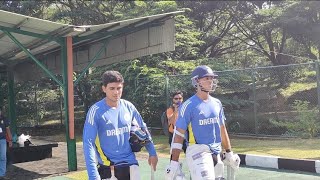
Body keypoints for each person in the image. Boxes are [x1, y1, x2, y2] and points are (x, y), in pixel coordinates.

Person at [165, 65, 240, 180]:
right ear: (196, 81)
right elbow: (178, 135)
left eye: (211, 78)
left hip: (216, 152)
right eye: (206, 78)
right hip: (197, 151)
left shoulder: (217, 103)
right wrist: (173, 163)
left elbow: (222, 129)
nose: (210, 81)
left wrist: (229, 152)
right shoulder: (188, 106)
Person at [83, 70, 158, 180]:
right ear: (104, 88)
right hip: (109, 167)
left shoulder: (129, 107)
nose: (116, 92)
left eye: (119, 88)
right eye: (112, 88)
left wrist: (152, 152)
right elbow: (88, 142)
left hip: (131, 164)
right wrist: (93, 176)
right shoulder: (95, 111)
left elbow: (143, 128)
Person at [0, 107, 12, 179]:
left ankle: (2, 173)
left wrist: (10, 140)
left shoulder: (4, 119)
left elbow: (8, 130)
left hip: (2, 140)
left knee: (3, 157)